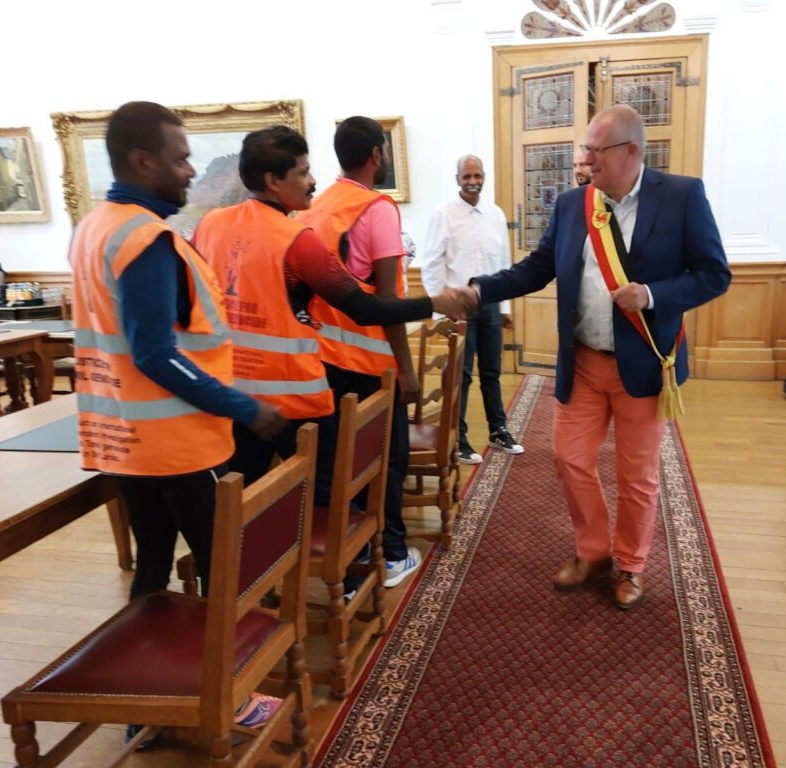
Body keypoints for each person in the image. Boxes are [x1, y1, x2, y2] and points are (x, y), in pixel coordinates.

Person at [68, 101, 288, 740]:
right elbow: (154, 354)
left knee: (153, 564)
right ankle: (227, 695)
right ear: (143, 161)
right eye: (180, 158)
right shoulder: (147, 239)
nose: (191, 170)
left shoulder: (94, 227)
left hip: (125, 437)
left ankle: (144, 700)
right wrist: (244, 407)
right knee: (226, 571)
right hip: (177, 441)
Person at [465, 105, 731, 610]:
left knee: (637, 475)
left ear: (631, 151)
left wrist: (651, 295)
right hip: (584, 361)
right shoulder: (573, 204)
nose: (585, 159)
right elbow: (538, 267)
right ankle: (593, 551)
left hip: (644, 364)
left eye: (595, 150)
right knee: (569, 460)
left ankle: (630, 563)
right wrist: (482, 289)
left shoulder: (681, 196)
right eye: (584, 149)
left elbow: (714, 274)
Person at [193, 126, 466, 487]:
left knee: (245, 500)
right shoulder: (297, 241)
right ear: (274, 181)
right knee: (328, 495)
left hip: (232, 394)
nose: (313, 182)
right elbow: (365, 309)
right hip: (294, 400)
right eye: (303, 173)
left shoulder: (209, 225)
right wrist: (434, 303)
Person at [297, 116, 426, 588]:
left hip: (320, 358)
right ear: (376, 155)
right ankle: (391, 555)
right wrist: (407, 370)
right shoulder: (377, 208)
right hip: (369, 362)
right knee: (386, 460)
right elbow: (387, 299)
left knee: (339, 465)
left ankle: (352, 557)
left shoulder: (316, 207)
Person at [422, 154, 524, 464]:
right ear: (457, 179)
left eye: (477, 176)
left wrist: (504, 306)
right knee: (461, 375)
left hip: (490, 304)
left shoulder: (495, 214)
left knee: (492, 372)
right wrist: (441, 309)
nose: (473, 182)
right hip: (459, 309)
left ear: (484, 177)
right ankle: (458, 438)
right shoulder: (443, 215)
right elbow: (431, 264)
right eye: (466, 176)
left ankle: (498, 430)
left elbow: (503, 264)